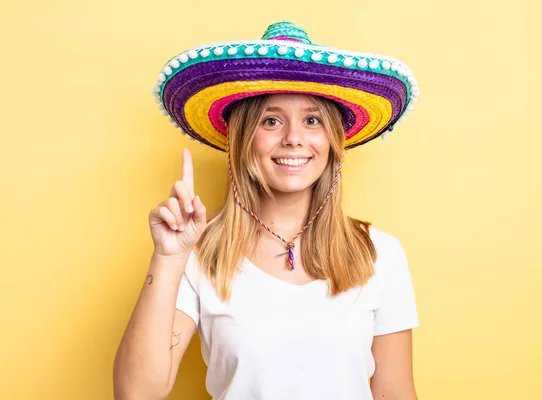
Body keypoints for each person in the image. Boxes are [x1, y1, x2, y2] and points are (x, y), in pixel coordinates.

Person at [114, 21, 421, 400]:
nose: (293, 138)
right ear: (243, 139)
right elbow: (135, 394)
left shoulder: (379, 253)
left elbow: (395, 392)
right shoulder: (199, 253)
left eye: (312, 121)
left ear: (332, 140)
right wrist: (167, 257)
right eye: (271, 121)